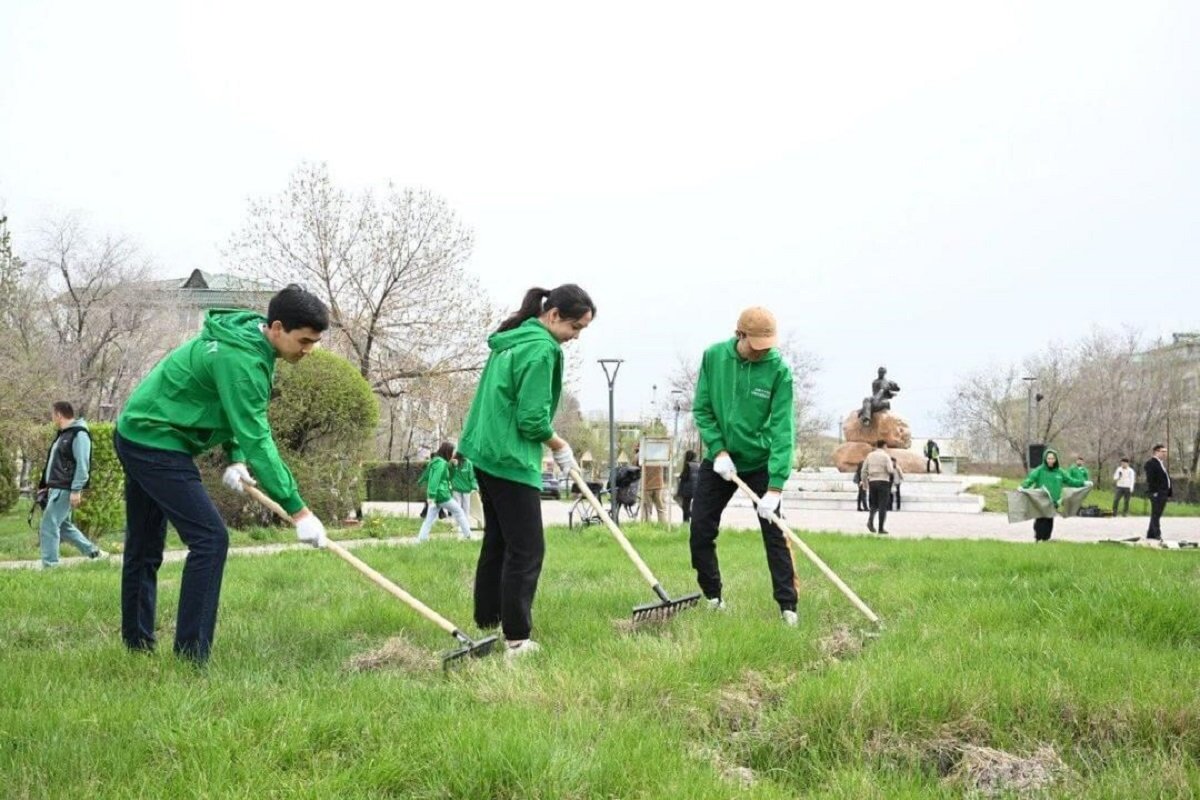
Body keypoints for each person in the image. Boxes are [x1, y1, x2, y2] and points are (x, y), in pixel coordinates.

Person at [114, 284, 330, 663]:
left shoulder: (251, 342)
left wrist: (234, 457)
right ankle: (190, 658)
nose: (309, 350)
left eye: (314, 342)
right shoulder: (242, 359)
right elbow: (258, 436)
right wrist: (299, 511)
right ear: (277, 327)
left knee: (145, 547)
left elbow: (226, 405)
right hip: (154, 440)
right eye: (305, 340)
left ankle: (137, 648)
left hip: (145, 432)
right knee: (210, 539)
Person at [458, 284, 595, 658]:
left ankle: (488, 620)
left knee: (499, 540)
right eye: (575, 328)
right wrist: (560, 445)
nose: (575, 337)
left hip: (484, 450)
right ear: (553, 316)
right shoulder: (541, 348)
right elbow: (532, 419)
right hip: (509, 456)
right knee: (527, 548)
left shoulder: (511, 339)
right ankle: (517, 638)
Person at [690, 306, 800, 626]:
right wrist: (719, 450)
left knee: (776, 535)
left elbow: (783, 430)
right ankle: (713, 597)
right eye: (756, 345)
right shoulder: (713, 358)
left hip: (759, 463)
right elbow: (703, 408)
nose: (762, 352)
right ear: (739, 335)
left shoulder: (779, 371)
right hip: (720, 462)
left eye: (768, 345)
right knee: (700, 531)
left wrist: (775, 487)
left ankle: (788, 607)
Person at [37, 401, 104, 567]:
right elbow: (55, 463)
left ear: (59, 415)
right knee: (64, 527)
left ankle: (50, 566)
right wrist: (45, 485)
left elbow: (83, 464)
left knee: (48, 525)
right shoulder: (63, 434)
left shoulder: (79, 434)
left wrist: (76, 490)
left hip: (65, 488)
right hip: (56, 487)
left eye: (53, 415)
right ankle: (94, 553)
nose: (52, 418)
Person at [1019, 447, 1088, 541]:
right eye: (1048, 458)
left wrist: (1083, 483)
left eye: (1052, 458)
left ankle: (1046, 539)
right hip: (1041, 500)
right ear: (1045, 459)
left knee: (1049, 520)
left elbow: (1070, 481)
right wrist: (1023, 486)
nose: (1050, 460)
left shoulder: (1060, 472)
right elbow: (1030, 479)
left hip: (1054, 502)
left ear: (1055, 459)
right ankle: (1038, 538)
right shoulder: (1039, 470)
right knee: (1040, 519)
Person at [416, 443, 473, 541]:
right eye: (452, 452)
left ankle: (421, 540)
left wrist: (453, 467)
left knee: (429, 520)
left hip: (437, 496)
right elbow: (434, 480)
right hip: (442, 495)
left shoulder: (438, 462)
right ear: (447, 452)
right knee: (459, 512)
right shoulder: (441, 464)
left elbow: (449, 477)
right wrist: (432, 496)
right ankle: (468, 536)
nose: (453, 455)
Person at [860, 441, 895, 534]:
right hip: (883, 481)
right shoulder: (885, 456)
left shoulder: (870, 456)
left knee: (874, 505)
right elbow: (890, 470)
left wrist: (865, 484)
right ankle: (881, 528)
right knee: (882, 505)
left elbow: (863, 470)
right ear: (884, 446)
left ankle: (870, 521)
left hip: (872, 482)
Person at [1143, 444, 1172, 540]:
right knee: (1156, 514)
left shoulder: (1161, 463)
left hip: (1163, 492)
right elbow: (1151, 479)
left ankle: (1150, 534)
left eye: (1165, 452)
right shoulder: (1151, 463)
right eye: (1163, 452)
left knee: (1157, 514)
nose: (1165, 454)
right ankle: (1157, 534)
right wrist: (1155, 492)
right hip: (1157, 493)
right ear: (1156, 452)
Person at [634, 444, 667, 524]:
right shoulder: (659, 456)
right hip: (659, 485)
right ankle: (663, 525)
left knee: (646, 508)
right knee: (661, 508)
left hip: (646, 486)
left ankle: (647, 526)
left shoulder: (640, 456)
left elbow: (635, 467)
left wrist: (636, 452)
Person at [450, 452, 479, 525]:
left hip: (461, 488)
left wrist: (474, 486)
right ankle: (463, 522)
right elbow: (471, 476)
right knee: (464, 506)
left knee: (459, 505)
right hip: (462, 488)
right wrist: (474, 486)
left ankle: (459, 522)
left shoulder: (467, 463)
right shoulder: (467, 463)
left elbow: (471, 476)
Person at [676, 449, 701, 523]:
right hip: (695, 488)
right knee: (692, 506)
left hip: (687, 489)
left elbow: (684, 476)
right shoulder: (698, 464)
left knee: (685, 506)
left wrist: (679, 476)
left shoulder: (687, 465)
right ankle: (694, 517)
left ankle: (686, 521)